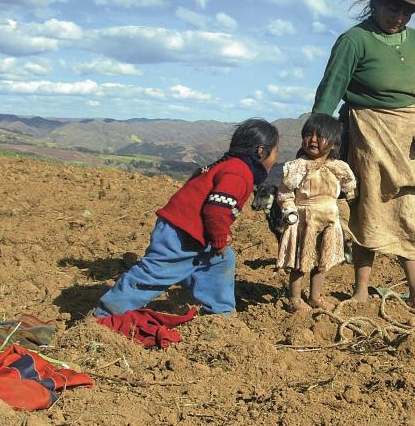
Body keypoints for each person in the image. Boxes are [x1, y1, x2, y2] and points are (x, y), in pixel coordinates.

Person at [312, 0, 415, 315]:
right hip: (368, 137)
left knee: (411, 211)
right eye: (392, 7)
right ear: (375, 3)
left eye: (406, 11)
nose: (398, 16)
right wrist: (317, 139)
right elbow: (330, 92)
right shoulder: (355, 41)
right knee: (367, 207)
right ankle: (361, 291)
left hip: (411, 143)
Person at [93, 119, 279, 317]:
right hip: (181, 233)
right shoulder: (239, 172)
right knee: (155, 273)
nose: (276, 158)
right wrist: (219, 238)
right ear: (261, 151)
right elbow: (216, 210)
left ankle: (220, 315)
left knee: (221, 261)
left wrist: (219, 237)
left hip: (188, 231)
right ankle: (105, 314)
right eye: (276, 151)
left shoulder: (231, 166)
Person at [276, 113, 357, 312]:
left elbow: (350, 186)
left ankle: (315, 296)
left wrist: (354, 199)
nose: (312, 140)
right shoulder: (296, 168)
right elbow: (285, 193)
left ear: (333, 142)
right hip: (303, 221)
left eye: (319, 136)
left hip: (329, 222)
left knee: (322, 260)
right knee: (299, 261)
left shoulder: (338, 167)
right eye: (308, 135)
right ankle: (294, 299)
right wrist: (290, 212)